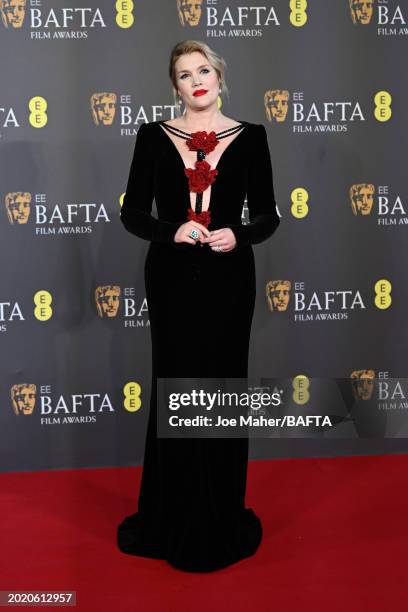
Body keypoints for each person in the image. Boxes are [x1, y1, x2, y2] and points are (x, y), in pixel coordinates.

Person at [117, 40, 281, 572]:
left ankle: (220, 515)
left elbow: (269, 217)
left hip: (230, 280)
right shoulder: (151, 136)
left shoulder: (252, 137)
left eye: (204, 70)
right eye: (185, 75)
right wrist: (172, 230)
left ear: (219, 75)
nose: (197, 81)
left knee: (223, 386)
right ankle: (172, 516)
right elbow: (134, 214)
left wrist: (240, 234)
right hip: (171, 280)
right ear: (175, 86)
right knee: (177, 387)